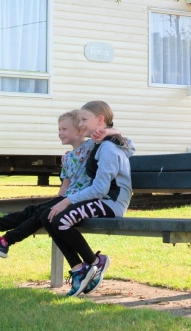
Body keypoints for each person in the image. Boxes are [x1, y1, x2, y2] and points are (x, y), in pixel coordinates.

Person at [0, 110, 131, 262]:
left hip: (82, 198)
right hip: (69, 197)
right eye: (59, 129)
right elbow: (65, 185)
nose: (60, 133)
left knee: (41, 214)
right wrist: (57, 201)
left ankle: (4, 240)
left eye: (64, 129)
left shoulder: (91, 146)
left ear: (80, 131)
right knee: (32, 210)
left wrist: (107, 131)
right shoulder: (67, 158)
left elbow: (124, 141)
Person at [41, 100, 132, 297]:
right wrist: (108, 132)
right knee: (50, 216)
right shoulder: (100, 143)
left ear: (100, 120)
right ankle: (79, 269)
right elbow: (129, 145)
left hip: (111, 203)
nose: (80, 124)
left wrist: (67, 200)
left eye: (84, 119)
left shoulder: (108, 148)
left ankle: (94, 263)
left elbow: (100, 189)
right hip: (101, 200)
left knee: (61, 218)